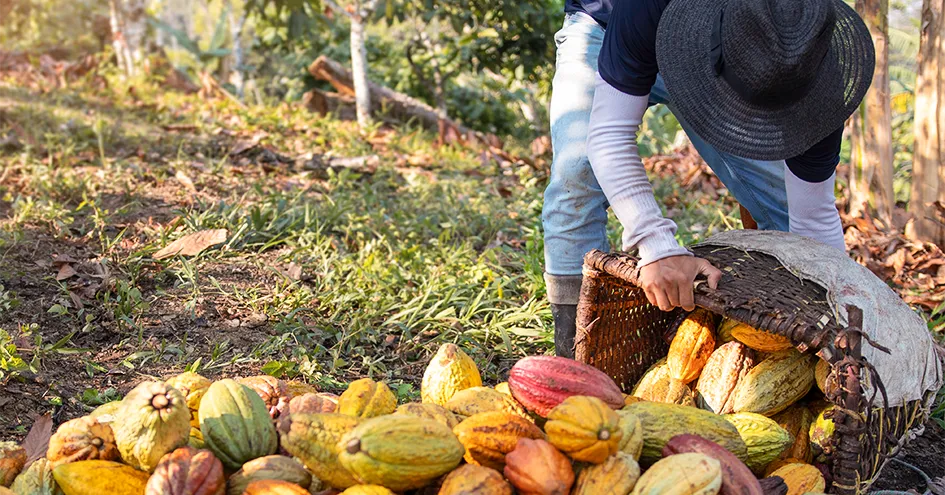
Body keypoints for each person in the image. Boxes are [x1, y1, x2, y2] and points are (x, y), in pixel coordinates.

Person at [542, 0, 874, 358]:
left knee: (782, 207)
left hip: (742, 58)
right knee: (574, 177)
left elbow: (813, 215)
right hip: (606, 24)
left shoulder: (811, 62)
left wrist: (841, 312)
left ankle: (779, 342)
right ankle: (575, 356)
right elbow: (608, 135)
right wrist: (657, 245)